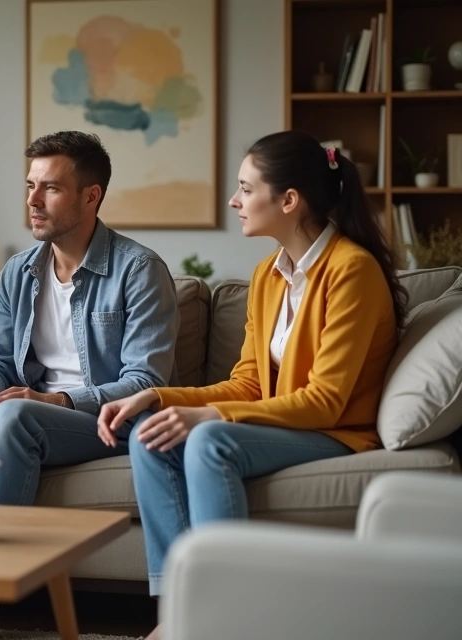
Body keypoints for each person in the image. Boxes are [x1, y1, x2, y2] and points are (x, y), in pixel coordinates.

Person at [98, 130, 407, 640]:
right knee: (152, 432)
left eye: (245, 188)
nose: (234, 201)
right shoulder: (268, 275)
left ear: (288, 200)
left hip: (336, 430)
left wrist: (209, 416)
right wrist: (157, 397)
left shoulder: (352, 270)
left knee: (210, 438)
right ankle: (179, 612)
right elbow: (247, 383)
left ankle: (227, 619)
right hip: (290, 422)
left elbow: (327, 401)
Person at [0, 131, 179, 640]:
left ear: (90, 196)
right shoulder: (20, 271)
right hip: (33, 413)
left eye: (50, 188)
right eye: (30, 185)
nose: (32, 200)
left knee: (15, 415)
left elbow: (145, 381)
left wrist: (54, 399)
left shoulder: (139, 270)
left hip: (107, 421)